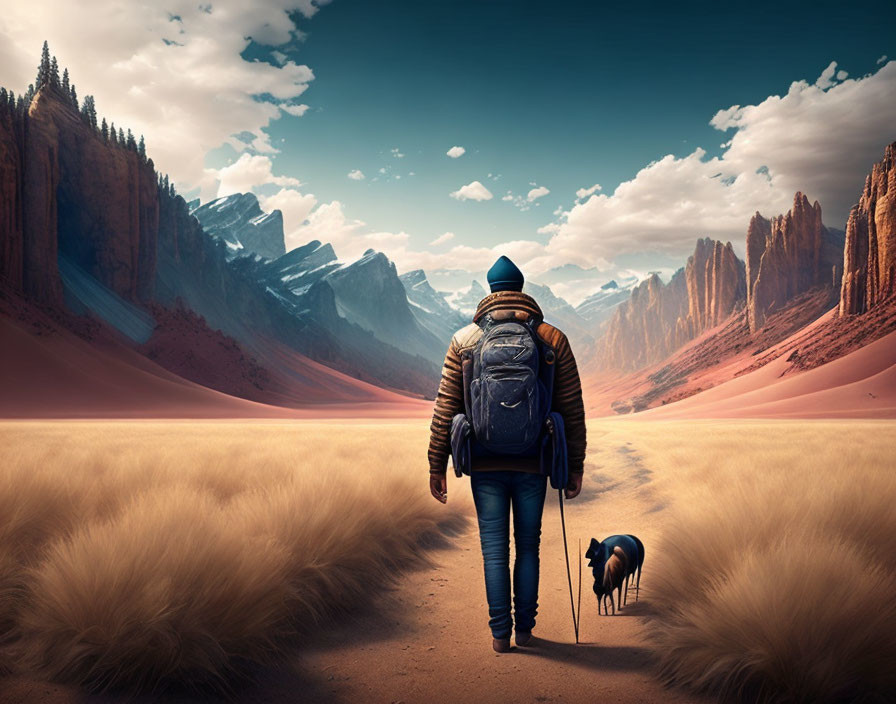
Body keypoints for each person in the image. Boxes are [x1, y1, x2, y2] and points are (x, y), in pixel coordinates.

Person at [427, 255, 586, 653]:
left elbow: (446, 406)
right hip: (534, 461)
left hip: (484, 461)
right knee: (529, 545)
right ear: (520, 287)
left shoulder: (464, 340)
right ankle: (526, 631)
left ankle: (500, 635)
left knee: (493, 548)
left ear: (491, 290)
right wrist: (575, 466)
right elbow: (572, 406)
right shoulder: (551, 338)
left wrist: (437, 464)